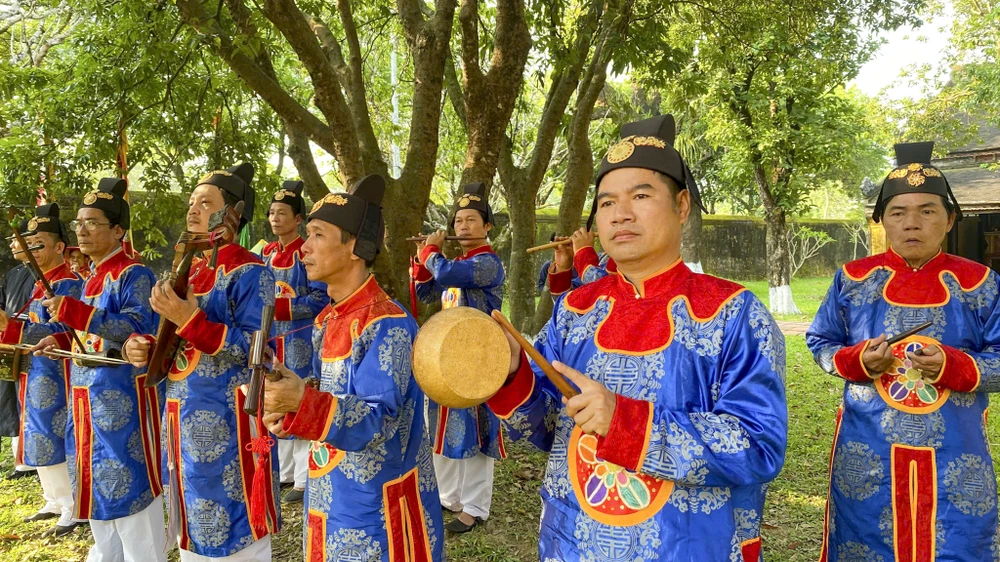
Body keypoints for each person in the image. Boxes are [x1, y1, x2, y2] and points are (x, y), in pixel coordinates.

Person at [487, 115, 787, 561]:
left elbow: (758, 446)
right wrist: (511, 371)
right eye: (606, 203)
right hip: (573, 541)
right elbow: (548, 427)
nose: (620, 214)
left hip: (689, 547)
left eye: (641, 196)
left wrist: (624, 423)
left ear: (682, 206)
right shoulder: (575, 311)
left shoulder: (733, 313)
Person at [806, 141, 1000, 561]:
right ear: (882, 221)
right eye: (898, 212)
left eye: (927, 210)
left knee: (958, 543)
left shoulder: (980, 283)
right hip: (867, 446)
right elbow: (820, 343)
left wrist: (954, 365)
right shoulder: (853, 280)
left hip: (957, 451)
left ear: (949, 219)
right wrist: (856, 360)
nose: (912, 222)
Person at [260, 174, 445, 561]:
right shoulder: (329, 318)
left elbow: (379, 420)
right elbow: (327, 388)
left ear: (355, 248)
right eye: (306, 235)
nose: (304, 248)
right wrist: (291, 405)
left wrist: (304, 401)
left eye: (317, 236)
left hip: (377, 500)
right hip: (332, 485)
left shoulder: (388, 324)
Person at [124, 163, 280, 561]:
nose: (193, 209)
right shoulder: (185, 267)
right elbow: (167, 337)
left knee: (236, 521)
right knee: (188, 514)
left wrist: (191, 320)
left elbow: (259, 352)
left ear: (233, 213)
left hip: (229, 417)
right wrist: (141, 345)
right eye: (192, 201)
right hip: (180, 412)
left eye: (206, 202)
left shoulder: (251, 270)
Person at [39, 178, 166, 561]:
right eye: (79, 222)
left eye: (93, 222)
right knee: (93, 483)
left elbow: (135, 327)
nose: (82, 229)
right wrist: (57, 339)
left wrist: (77, 313)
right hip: (84, 396)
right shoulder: (89, 277)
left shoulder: (134, 274)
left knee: (127, 486)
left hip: (120, 400)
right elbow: (82, 333)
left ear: (117, 230)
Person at [413, 182, 506, 533]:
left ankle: (476, 507)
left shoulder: (488, 264)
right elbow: (426, 292)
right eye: (458, 221)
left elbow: (449, 273)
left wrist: (433, 255)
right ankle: (448, 496)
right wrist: (422, 262)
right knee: (445, 424)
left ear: (487, 227)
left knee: (479, 431)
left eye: (471, 220)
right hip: (449, 359)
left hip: (482, 359)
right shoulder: (453, 263)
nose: (463, 227)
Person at [0, 204, 83, 536]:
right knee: (35, 431)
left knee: (55, 432)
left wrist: (12, 328)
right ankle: (53, 498)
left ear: (60, 247)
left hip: (56, 370)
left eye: (39, 244)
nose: (32, 250)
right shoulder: (38, 282)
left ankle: (72, 505)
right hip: (31, 369)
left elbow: (63, 330)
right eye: (29, 244)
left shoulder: (68, 283)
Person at [261, 180, 327, 503]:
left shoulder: (306, 254)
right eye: (272, 212)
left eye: (282, 213)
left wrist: (279, 307)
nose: (275, 218)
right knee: (273, 400)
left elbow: (319, 298)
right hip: (272, 340)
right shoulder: (265, 253)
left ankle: (303, 477)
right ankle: (285, 472)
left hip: (300, 340)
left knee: (297, 399)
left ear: (298, 219)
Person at [1, 221, 37, 480]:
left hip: (34, 346)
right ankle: (21, 461)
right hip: (9, 343)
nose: (12, 244)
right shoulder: (13, 273)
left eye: (17, 239)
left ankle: (34, 460)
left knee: (31, 403)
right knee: (12, 400)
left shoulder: (42, 275)